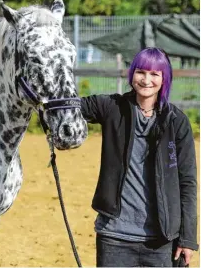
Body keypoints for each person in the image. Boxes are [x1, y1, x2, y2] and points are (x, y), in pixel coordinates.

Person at [80, 47, 198, 267]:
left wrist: (188, 238)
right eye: (141, 72)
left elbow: (187, 183)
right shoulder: (111, 107)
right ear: (132, 73)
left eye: (155, 74)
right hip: (114, 237)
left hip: (161, 240)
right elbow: (66, 107)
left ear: (165, 79)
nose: (146, 80)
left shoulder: (177, 122)